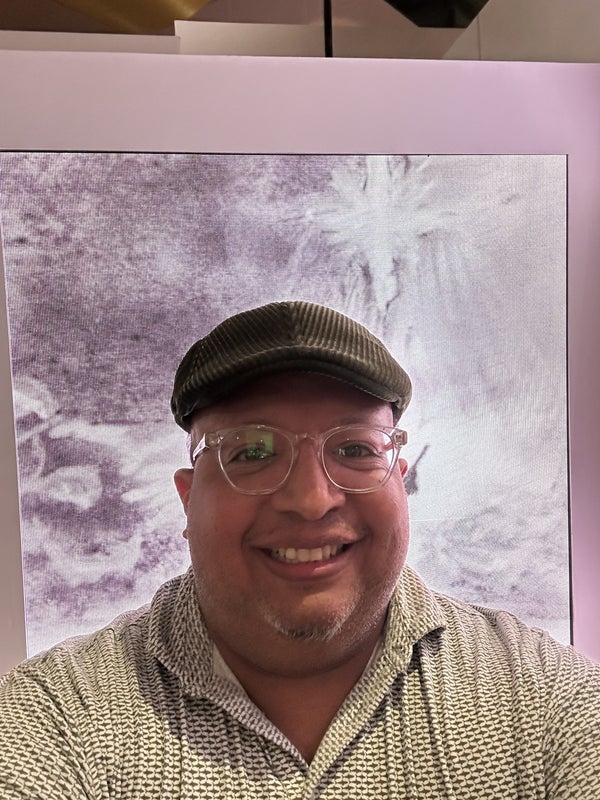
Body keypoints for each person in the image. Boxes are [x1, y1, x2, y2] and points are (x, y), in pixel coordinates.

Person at [0, 299, 598, 798]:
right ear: (188, 498)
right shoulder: (54, 721)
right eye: (252, 453)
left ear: (401, 479)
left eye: (356, 449)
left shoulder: (543, 701)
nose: (311, 501)